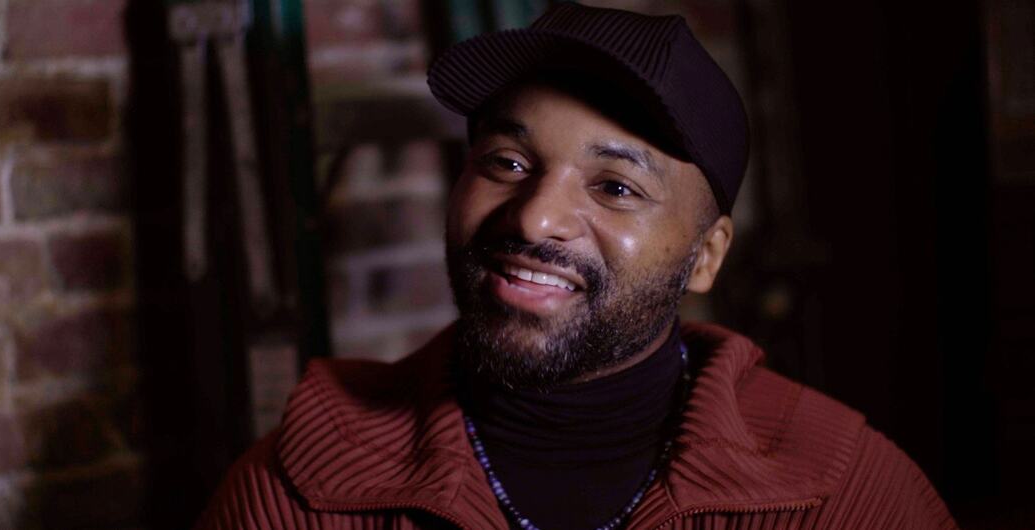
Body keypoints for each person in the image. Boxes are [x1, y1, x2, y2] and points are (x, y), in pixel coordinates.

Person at [196, 3, 957, 528]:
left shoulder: (848, 499)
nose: (533, 217)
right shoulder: (296, 495)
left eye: (616, 187)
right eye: (508, 160)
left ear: (706, 257)